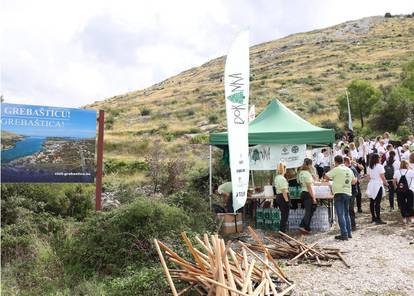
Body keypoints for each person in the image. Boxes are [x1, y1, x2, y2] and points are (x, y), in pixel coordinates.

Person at [325, 155, 356, 240]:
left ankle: (344, 234)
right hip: (348, 193)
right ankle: (349, 233)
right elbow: (354, 181)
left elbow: (326, 177)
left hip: (339, 193)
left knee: (340, 214)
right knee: (346, 214)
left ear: (335, 162)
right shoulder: (349, 169)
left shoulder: (336, 169)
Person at [366, 154, 388, 224]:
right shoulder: (380, 166)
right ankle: (378, 219)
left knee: (372, 202)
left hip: (372, 184)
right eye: (379, 158)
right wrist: (386, 183)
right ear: (377, 158)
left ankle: (373, 217)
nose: (380, 159)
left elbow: (368, 177)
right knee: (377, 203)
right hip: (378, 185)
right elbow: (382, 177)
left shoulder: (369, 167)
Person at [298, 158, 317, 234]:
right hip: (308, 193)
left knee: (310, 211)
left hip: (303, 192)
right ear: (309, 165)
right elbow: (309, 187)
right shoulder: (307, 174)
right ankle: (303, 226)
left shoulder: (301, 173)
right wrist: (314, 198)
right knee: (309, 211)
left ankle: (306, 227)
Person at [344, 157, 360, 229]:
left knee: (350, 209)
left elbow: (355, 181)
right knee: (349, 208)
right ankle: (350, 225)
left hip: (352, 191)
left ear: (346, 162)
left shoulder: (351, 169)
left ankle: (353, 225)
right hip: (351, 191)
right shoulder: (351, 168)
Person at [273, 162, 290, 233]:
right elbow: (284, 190)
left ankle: (282, 230)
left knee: (283, 215)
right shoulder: (282, 178)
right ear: (284, 169)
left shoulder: (277, 177)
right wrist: (287, 201)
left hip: (278, 196)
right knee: (284, 215)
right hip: (283, 197)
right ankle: (282, 231)